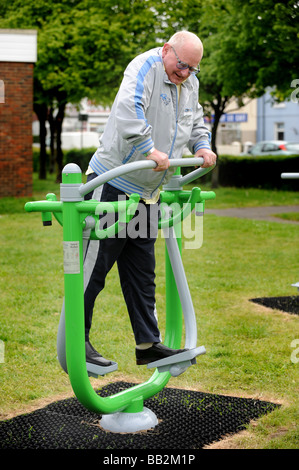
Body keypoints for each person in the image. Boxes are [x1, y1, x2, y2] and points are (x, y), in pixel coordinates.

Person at [83, 31, 217, 368]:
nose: (185, 73)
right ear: (166, 50)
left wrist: (202, 146)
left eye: (193, 69)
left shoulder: (189, 82)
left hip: (148, 194)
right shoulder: (144, 67)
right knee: (92, 270)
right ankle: (75, 342)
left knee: (142, 274)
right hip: (112, 183)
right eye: (182, 65)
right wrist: (149, 149)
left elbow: (195, 121)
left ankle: (148, 345)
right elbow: (130, 111)